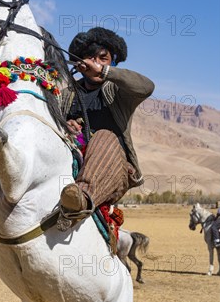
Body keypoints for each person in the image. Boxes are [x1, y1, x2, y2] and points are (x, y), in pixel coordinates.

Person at [59, 27, 154, 227]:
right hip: (71, 165)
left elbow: (147, 87)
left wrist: (104, 72)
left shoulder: (118, 91)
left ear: (111, 63)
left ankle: (80, 200)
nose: (96, 63)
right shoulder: (67, 94)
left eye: (103, 59)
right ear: (80, 62)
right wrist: (64, 125)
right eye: (90, 58)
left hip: (115, 170)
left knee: (104, 137)